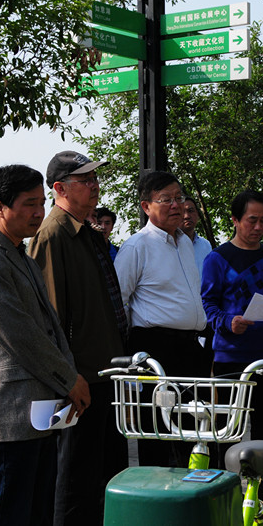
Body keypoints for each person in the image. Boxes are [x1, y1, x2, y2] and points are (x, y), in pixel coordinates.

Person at [0, 164, 91, 526]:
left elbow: (51, 327)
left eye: (42, 202)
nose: (38, 212)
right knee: (6, 516)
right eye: (29, 204)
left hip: (39, 414)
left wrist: (69, 375)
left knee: (36, 515)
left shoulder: (20, 254)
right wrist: (69, 379)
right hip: (5, 419)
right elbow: (20, 335)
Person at [29, 151, 128, 526]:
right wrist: (68, 378)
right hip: (79, 380)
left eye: (94, 179)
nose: (94, 186)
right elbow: (50, 320)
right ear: (60, 188)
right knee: (74, 481)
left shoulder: (87, 231)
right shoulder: (53, 235)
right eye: (85, 180)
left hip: (105, 374)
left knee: (104, 474)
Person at [201, 189, 263, 502]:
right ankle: (225, 494)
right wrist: (228, 322)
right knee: (228, 429)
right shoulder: (217, 258)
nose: (258, 227)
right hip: (230, 357)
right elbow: (209, 304)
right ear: (235, 220)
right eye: (252, 220)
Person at [114, 171, 208, 468]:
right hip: (156, 349)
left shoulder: (186, 243)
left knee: (194, 427)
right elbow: (118, 301)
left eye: (179, 197)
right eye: (166, 199)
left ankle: (191, 489)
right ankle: (158, 491)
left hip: (191, 348)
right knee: (159, 430)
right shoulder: (136, 246)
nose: (176, 205)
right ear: (146, 206)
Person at [180, 196, 212, 275]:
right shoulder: (170, 244)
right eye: (182, 212)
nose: (187, 216)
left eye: (190, 211)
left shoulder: (205, 245)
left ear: (197, 214)